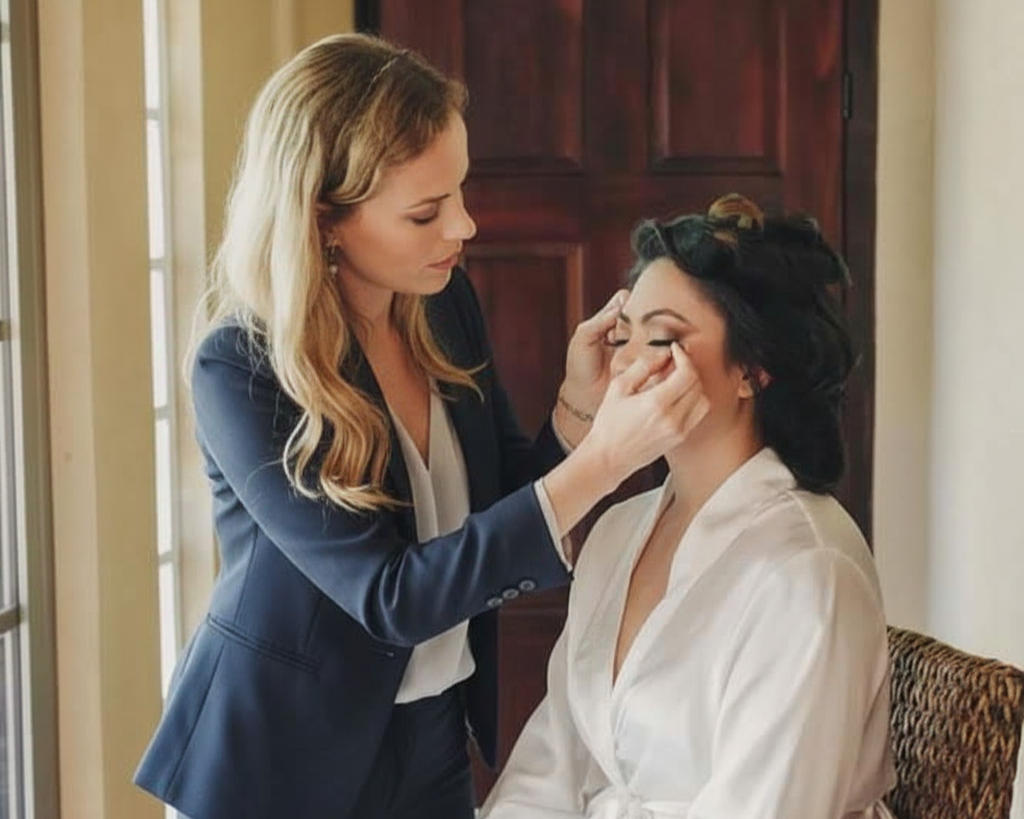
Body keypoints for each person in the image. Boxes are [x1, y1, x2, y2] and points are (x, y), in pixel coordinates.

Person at [133, 33, 706, 819]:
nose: (463, 227)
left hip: (433, 732)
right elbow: (389, 593)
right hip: (276, 763)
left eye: (460, 193)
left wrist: (577, 414)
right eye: (426, 212)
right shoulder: (240, 368)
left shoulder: (445, 306)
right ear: (324, 218)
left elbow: (491, 507)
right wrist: (604, 463)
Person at [480, 193, 897, 819]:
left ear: (751, 370)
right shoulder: (619, 532)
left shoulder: (805, 574)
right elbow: (550, 766)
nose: (624, 366)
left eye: (662, 338)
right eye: (623, 337)